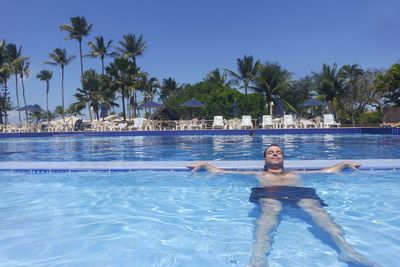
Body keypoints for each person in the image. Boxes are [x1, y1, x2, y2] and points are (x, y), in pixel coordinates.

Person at [187, 144, 380, 267]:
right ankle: (258, 258)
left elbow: (326, 171)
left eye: (278, 152)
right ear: (265, 159)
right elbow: (222, 172)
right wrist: (204, 164)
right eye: (271, 152)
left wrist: (345, 163)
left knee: (317, 211)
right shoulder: (259, 175)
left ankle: (347, 251)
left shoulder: (294, 174)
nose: (275, 154)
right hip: (269, 192)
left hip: (299, 192)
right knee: (269, 211)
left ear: (283, 158)